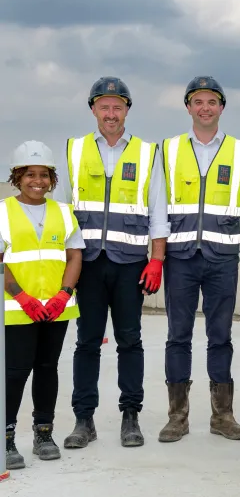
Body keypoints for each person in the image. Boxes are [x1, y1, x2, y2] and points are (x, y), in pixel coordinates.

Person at [56, 76, 170, 449]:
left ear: (127, 111)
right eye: (103, 106)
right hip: (87, 263)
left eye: (117, 107)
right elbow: (63, 211)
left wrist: (156, 260)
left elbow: (158, 211)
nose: (110, 113)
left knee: (129, 340)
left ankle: (130, 416)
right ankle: (83, 420)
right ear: (93, 109)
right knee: (87, 342)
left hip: (129, 264)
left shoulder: (147, 153)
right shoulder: (74, 150)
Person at [157, 76, 240, 443]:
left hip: (222, 258)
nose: (205, 108)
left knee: (220, 336)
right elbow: (158, 203)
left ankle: (222, 416)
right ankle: (177, 417)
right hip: (180, 257)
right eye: (198, 101)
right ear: (188, 107)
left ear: (222, 107)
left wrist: (227, 231)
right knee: (177, 336)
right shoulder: (169, 149)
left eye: (212, 101)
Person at [3, 141, 83, 470]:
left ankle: (43, 433)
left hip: (55, 308)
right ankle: (6, 437)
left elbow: (74, 255)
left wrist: (64, 294)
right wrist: (21, 296)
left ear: (52, 179)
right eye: (30, 174)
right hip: (15, 308)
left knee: (47, 368)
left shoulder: (63, 212)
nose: (38, 181)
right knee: (15, 372)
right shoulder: (2, 211)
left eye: (44, 175)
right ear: (17, 178)